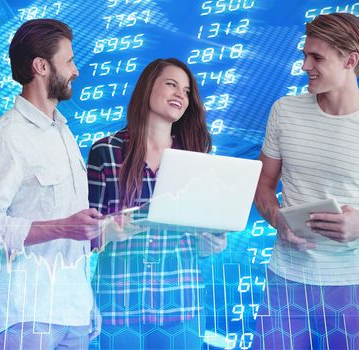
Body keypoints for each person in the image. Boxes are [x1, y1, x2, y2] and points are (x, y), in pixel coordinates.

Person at [252, 13, 359, 350]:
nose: (304, 66)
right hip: (286, 279)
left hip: (350, 286)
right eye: (304, 55)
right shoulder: (284, 111)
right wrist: (277, 220)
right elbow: (262, 185)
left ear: (350, 60)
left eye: (317, 58)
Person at [0, 19, 102, 349]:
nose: (75, 71)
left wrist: (87, 304)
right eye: (69, 60)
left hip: (73, 313)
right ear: (41, 66)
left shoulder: (64, 134)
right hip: (26, 314)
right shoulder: (6, 138)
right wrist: (62, 227)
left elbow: (73, 229)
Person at [86, 58, 227, 349]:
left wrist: (210, 244)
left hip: (182, 303)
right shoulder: (106, 152)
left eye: (187, 91)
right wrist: (108, 231)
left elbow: (199, 238)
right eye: (171, 84)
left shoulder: (195, 158)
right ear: (148, 87)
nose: (180, 95)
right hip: (119, 304)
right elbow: (84, 235)